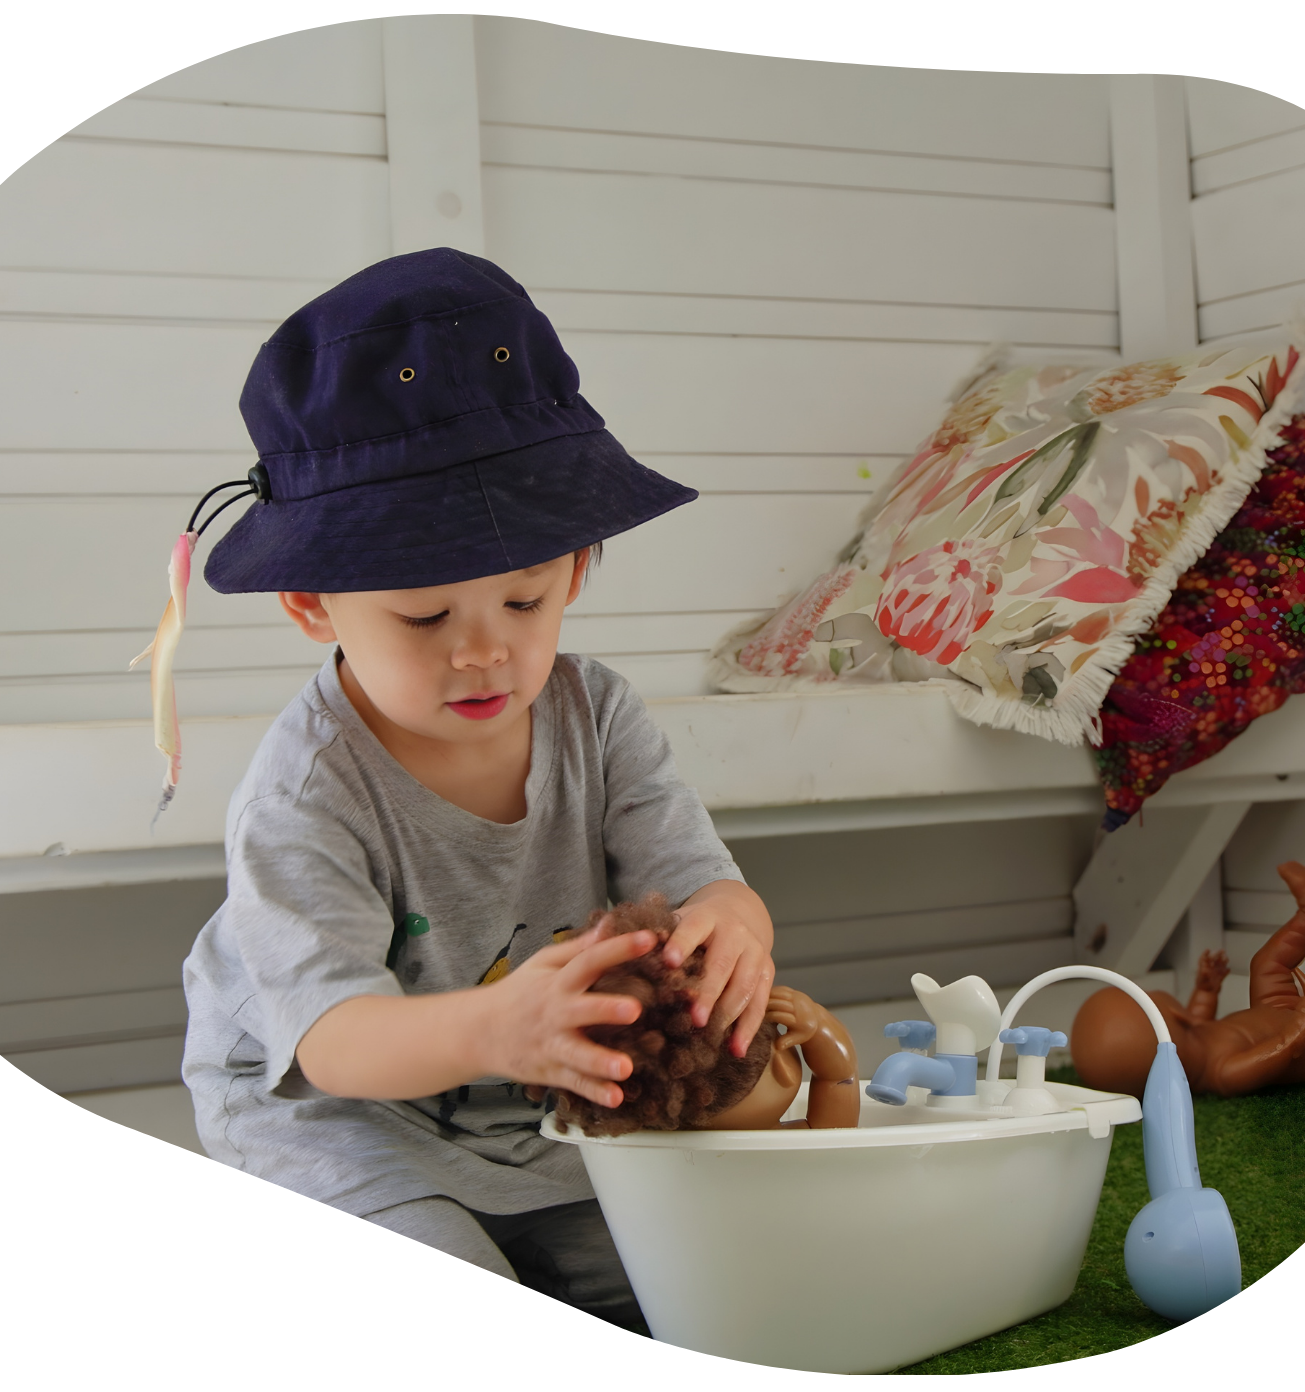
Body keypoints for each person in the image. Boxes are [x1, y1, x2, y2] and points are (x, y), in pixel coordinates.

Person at [179, 249, 776, 1328]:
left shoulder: (597, 717)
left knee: (703, 1293)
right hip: (343, 1127)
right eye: (422, 619)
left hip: (530, 1116)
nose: (483, 654)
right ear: (312, 606)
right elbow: (336, 1042)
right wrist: (498, 1030)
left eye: (525, 601)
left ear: (577, 570)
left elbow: (698, 882)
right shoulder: (303, 792)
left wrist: (733, 924)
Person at [549, 894, 860, 1137]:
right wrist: (822, 1032)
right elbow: (838, 1099)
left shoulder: (646, 1140)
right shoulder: (783, 1144)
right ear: (783, 1068)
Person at [1070, 861, 1305, 1097]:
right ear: (1173, 1016)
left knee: (1265, 964)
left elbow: (1199, 1020)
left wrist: (1206, 990)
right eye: (1146, 995)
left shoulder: (1192, 1039)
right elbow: (1288, 1046)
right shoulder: (1225, 1073)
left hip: (1274, 1008)